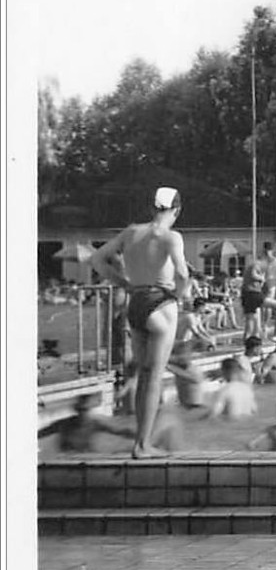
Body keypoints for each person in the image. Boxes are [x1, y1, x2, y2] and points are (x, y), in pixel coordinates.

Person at [87, 186, 192, 458]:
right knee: (153, 377)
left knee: (143, 376)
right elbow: (181, 272)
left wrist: (124, 283)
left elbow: (97, 259)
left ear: (152, 207)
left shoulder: (131, 232)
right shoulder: (171, 236)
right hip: (162, 304)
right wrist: (178, 296)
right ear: (177, 210)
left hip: (136, 304)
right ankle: (143, 445)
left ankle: (140, 442)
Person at [38, 392, 137, 453]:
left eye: (85, 410)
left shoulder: (94, 424)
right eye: (81, 410)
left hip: (84, 456)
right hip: (66, 458)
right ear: (77, 411)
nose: (83, 414)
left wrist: (137, 438)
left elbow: (118, 431)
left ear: (89, 410)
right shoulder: (64, 424)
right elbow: (42, 433)